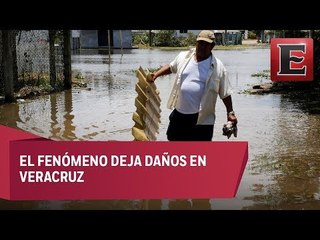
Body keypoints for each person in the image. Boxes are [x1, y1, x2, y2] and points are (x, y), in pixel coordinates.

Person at [149, 30, 238, 141]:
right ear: (196, 43)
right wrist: (156, 74)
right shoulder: (183, 57)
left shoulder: (218, 67)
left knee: (199, 153)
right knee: (174, 150)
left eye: (206, 44)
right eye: (200, 43)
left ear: (212, 46)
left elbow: (225, 93)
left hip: (202, 119)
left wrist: (230, 112)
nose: (202, 46)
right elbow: (171, 67)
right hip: (179, 115)